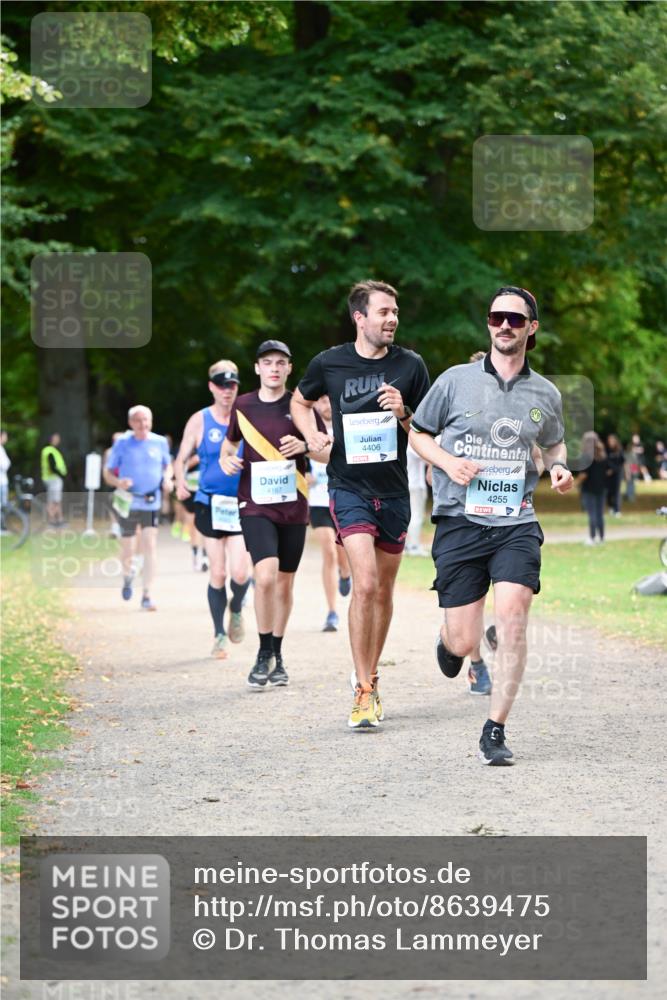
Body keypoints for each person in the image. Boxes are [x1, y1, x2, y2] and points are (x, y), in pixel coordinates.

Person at [409, 285, 574, 765]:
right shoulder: (455, 381)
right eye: (497, 317)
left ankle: (495, 730)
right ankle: (450, 642)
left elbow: (555, 444)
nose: (505, 325)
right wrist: (448, 461)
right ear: (488, 323)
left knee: (514, 616)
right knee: (464, 638)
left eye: (516, 320)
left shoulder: (545, 392)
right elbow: (419, 433)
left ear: (531, 329)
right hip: (460, 519)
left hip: (515, 520)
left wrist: (560, 467)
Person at [291, 279, 431, 729]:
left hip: (394, 492)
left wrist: (404, 413)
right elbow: (300, 400)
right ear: (359, 317)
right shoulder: (329, 362)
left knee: (383, 591)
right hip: (348, 487)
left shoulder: (410, 365)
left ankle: (369, 672)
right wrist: (311, 431)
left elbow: (429, 432)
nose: (392, 319)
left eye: (395, 312)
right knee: (365, 583)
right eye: (383, 312)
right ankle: (363, 689)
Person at [220, 341, 328, 689]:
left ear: (289, 368)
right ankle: (263, 650)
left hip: (293, 505)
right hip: (254, 504)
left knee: (284, 582)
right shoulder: (243, 405)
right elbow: (228, 445)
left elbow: (328, 454)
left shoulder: (301, 406)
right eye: (267, 362)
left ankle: (277, 654)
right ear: (257, 368)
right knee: (264, 576)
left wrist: (307, 447)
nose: (274, 368)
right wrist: (226, 460)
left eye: (281, 362)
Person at [174, 360, 252, 659]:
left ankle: (236, 608)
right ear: (211, 387)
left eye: (232, 385)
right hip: (209, 503)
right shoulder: (200, 420)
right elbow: (181, 458)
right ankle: (219, 634)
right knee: (218, 572)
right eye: (221, 385)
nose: (227, 391)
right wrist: (180, 482)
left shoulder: (246, 416)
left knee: (241, 572)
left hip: (240, 503)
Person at [104, 406, 172, 612]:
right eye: (138, 421)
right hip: (128, 501)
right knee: (128, 547)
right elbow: (107, 473)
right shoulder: (122, 444)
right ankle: (128, 576)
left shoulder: (159, 442)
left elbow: (167, 466)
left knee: (150, 544)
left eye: (146, 421)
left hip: (151, 501)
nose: (143, 425)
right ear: (131, 423)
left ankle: (147, 594)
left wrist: (168, 479)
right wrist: (118, 482)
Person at [306, 395, 352, 632]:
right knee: (328, 552)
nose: (325, 405)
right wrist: (303, 475)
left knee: (343, 555)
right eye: (320, 401)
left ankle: (346, 574)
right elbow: (297, 458)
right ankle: (332, 612)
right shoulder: (307, 429)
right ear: (313, 404)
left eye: (328, 399)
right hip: (318, 500)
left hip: (343, 499)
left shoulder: (346, 425)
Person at [578, 432, 610, 545]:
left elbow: (584, 474)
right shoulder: (603, 455)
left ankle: (592, 537)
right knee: (600, 514)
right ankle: (601, 538)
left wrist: (576, 483)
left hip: (588, 489)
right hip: (601, 488)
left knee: (592, 513)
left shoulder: (586, 456)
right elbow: (608, 471)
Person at [405, 443, 429, 556]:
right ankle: (413, 545)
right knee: (416, 516)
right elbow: (427, 457)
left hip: (410, 484)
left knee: (411, 515)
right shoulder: (413, 444)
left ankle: (408, 544)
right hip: (416, 484)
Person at [40, 432, 67, 527]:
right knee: (54, 500)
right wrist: (61, 475)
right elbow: (52, 466)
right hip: (53, 478)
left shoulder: (50, 450)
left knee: (56, 500)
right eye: (56, 438)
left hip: (51, 478)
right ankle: (52, 520)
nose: (58, 440)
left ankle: (59, 519)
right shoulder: (49, 451)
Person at [605, 433, 625, 517]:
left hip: (617, 474)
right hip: (608, 475)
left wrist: (613, 470)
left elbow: (621, 463)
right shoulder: (606, 450)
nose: (610, 442)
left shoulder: (619, 450)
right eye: (609, 440)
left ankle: (617, 510)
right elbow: (605, 461)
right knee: (608, 492)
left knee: (616, 492)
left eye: (612, 440)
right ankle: (611, 508)